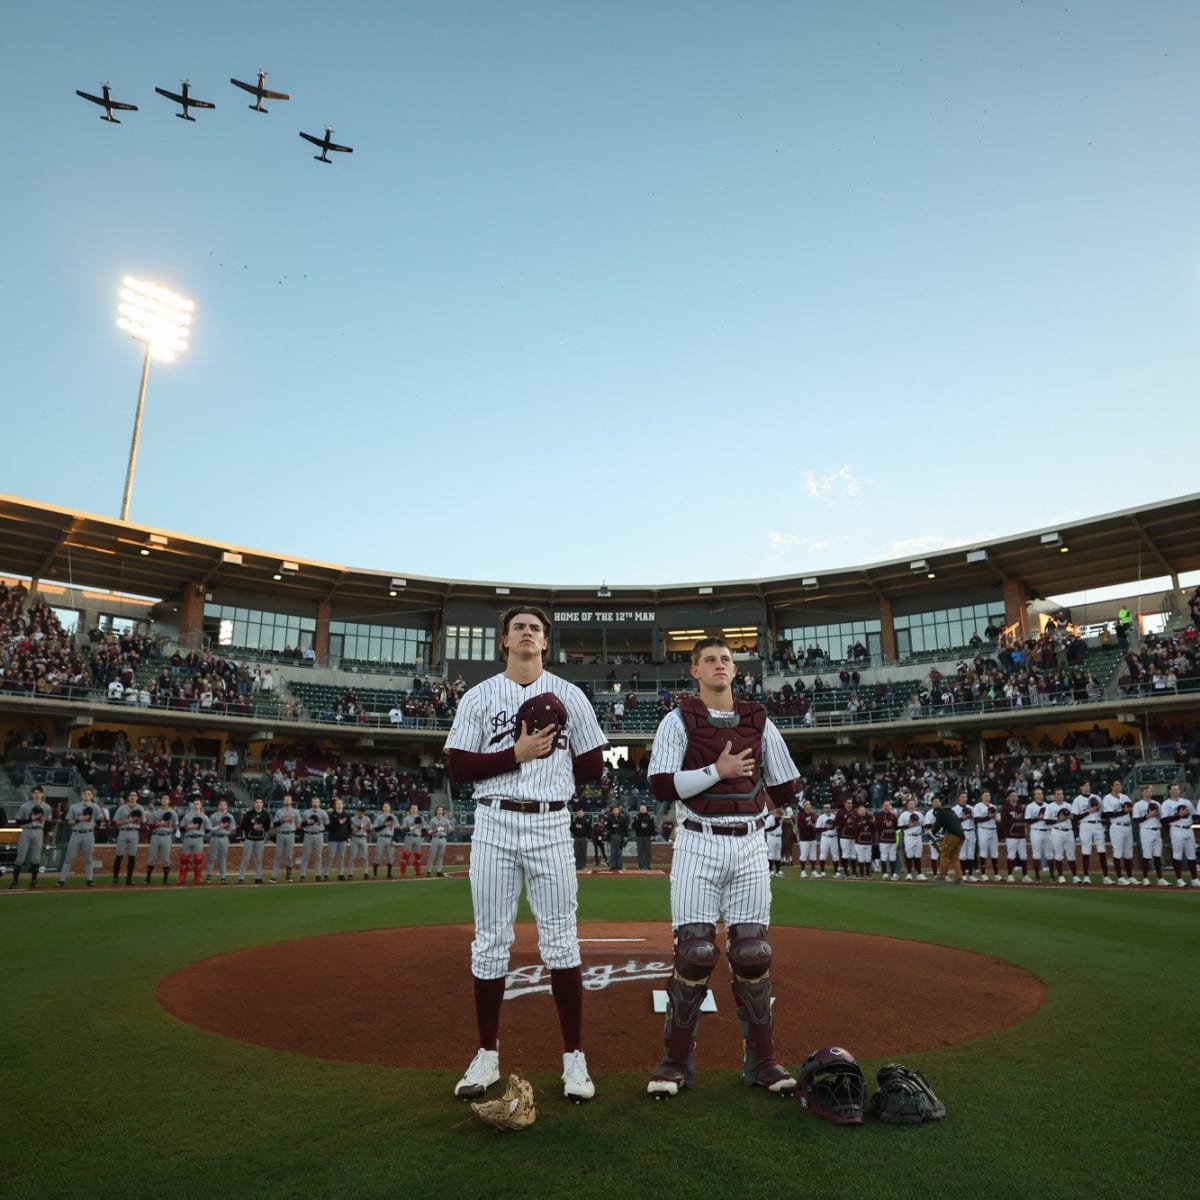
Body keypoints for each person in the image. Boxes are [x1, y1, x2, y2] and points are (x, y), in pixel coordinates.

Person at [444, 605, 608, 1103]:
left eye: (536, 629)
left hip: (551, 822)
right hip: (493, 820)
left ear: (545, 643)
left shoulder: (570, 695)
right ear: (504, 641)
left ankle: (574, 1059)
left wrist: (551, 777)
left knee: (561, 941)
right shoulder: (478, 695)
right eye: (519, 627)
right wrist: (514, 757)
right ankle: (487, 1054)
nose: (527, 633)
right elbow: (457, 766)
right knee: (491, 941)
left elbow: (594, 765)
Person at [646, 636, 800, 1098]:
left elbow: (787, 786)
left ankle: (764, 1062)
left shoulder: (759, 720)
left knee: (753, 953)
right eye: (709, 660)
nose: (718, 665)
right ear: (694, 671)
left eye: (725, 659)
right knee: (694, 952)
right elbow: (660, 785)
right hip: (698, 842)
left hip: (750, 842)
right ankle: (675, 1063)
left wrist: (770, 798)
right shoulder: (678, 721)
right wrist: (719, 770)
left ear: (735, 670)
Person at [57, 787, 102, 888]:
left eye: (89, 794)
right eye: (85, 794)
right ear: (82, 795)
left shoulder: (95, 807)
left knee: (89, 858)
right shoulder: (74, 807)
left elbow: (99, 821)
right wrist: (79, 819)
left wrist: (92, 826)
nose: (87, 796)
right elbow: (68, 822)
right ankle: (61, 880)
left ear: (92, 796)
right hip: (76, 833)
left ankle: (90, 880)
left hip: (89, 833)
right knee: (69, 857)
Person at [10, 784, 53, 889]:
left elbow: (48, 821)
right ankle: (15, 881)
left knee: (36, 858)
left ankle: (34, 881)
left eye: (39, 792)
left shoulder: (46, 807)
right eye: (35, 793)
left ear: (42, 794)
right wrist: (31, 819)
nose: (37, 794)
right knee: (20, 858)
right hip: (26, 831)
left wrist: (47, 832)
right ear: (32, 794)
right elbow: (17, 821)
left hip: (39, 831)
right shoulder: (25, 806)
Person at [1161, 783, 1198, 888]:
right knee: (1177, 854)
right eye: (1174, 789)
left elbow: (1194, 815)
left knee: (1192, 855)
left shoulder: (1186, 802)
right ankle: (1179, 879)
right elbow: (1164, 820)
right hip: (1176, 829)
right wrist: (1179, 815)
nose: (1176, 791)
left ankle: (1194, 879)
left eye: (1177, 789)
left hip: (1188, 829)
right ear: (1169, 791)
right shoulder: (1166, 803)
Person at [1131, 785, 1166, 886]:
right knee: (1146, 855)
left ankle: (1160, 878)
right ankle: (1145, 878)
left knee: (1157, 856)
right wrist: (1148, 815)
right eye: (1146, 791)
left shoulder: (1156, 803)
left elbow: (1162, 817)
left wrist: (1157, 814)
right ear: (1142, 793)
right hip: (1146, 830)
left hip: (1157, 829)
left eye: (1150, 791)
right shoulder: (1138, 805)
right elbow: (1136, 820)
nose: (1148, 793)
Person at [1103, 780, 1136, 885]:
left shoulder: (1125, 797)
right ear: (1111, 786)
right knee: (1117, 851)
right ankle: (1120, 877)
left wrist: (1127, 811)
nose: (1119, 786)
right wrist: (1123, 811)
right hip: (1116, 826)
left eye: (1120, 784)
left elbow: (1130, 809)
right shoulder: (1107, 798)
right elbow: (1108, 814)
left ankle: (1130, 876)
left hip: (1127, 825)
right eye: (1116, 784)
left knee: (1128, 852)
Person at [111, 789, 146, 886]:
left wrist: (137, 821)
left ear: (137, 797)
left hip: (134, 832)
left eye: (134, 795)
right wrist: (129, 820)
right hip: (123, 832)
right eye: (131, 795)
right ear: (128, 797)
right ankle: (115, 878)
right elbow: (115, 822)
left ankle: (129, 879)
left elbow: (143, 822)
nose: (132, 797)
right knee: (119, 856)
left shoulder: (141, 808)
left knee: (132, 857)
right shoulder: (122, 808)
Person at [927, 796, 965, 884]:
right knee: (954, 857)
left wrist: (932, 833)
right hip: (961, 836)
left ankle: (941, 878)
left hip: (952, 835)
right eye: (935, 802)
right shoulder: (950, 813)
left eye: (938, 801)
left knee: (944, 855)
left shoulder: (940, 812)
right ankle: (959, 878)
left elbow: (937, 826)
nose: (937, 803)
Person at [145, 794, 178, 885]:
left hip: (167, 835)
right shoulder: (155, 812)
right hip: (155, 835)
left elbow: (175, 826)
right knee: (152, 857)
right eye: (163, 798)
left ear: (169, 801)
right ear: (160, 800)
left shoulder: (173, 813)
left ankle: (166, 879)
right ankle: (147, 878)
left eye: (166, 798)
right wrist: (159, 824)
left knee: (166, 858)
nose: (164, 800)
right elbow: (150, 826)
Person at [238, 797, 270, 884]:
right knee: (245, 859)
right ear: (254, 803)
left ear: (262, 804)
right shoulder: (249, 814)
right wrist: (253, 827)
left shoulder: (266, 814)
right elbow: (243, 826)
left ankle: (258, 877)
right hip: (249, 839)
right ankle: (241, 877)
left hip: (260, 840)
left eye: (260, 802)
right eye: (257, 802)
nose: (258, 804)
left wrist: (261, 827)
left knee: (259, 859)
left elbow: (267, 827)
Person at [270, 792, 301, 883]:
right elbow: (274, 824)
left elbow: (299, 825)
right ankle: (274, 876)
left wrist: (297, 825)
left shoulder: (295, 812)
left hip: (291, 834)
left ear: (291, 801)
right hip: (280, 834)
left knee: (289, 856)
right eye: (285, 799)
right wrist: (283, 820)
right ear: (283, 801)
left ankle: (289, 875)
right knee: (277, 856)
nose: (287, 800)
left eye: (289, 799)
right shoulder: (279, 811)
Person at [999, 790, 1028, 882]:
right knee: (1011, 854)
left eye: (1015, 795)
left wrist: (1025, 829)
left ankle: (1025, 875)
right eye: (1012, 795)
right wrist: (1015, 818)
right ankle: (1010, 875)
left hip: (1021, 834)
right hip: (1010, 835)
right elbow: (1004, 821)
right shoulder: (1005, 808)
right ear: (1008, 797)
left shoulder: (1021, 807)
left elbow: (1025, 820)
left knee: (1023, 855)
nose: (1014, 797)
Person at [206, 799, 236, 883]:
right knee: (212, 857)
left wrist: (227, 829)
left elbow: (233, 829)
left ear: (227, 806)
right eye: (221, 804)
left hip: (224, 838)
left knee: (223, 858)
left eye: (224, 804)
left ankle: (223, 877)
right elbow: (209, 829)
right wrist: (220, 826)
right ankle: (208, 876)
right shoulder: (213, 816)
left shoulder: (230, 816)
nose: (223, 806)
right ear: (218, 806)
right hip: (214, 837)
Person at [299, 797, 328, 882]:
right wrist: (307, 822)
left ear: (319, 803)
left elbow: (327, 825)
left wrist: (319, 823)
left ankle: (318, 875)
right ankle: (302, 875)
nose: (315, 803)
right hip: (308, 834)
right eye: (314, 801)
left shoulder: (323, 813)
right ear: (311, 803)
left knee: (318, 856)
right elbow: (301, 825)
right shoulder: (306, 812)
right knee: (305, 856)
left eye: (317, 801)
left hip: (319, 834)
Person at [897, 796, 925, 880]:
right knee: (909, 855)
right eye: (910, 803)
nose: (912, 805)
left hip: (918, 836)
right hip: (909, 836)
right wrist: (909, 825)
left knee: (918, 855)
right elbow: (900, 826)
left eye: (913, 803)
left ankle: (919, 873)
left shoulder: (919, 814)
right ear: (907, 805)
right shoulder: (904, 815)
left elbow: (923, 825)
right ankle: (908, 873)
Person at [326, 797, 352, 880]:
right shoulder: (330, 815)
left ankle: (340, 874)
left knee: (341, 857)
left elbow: (349, 827)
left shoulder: (346, 815)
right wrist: (338, 822)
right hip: (333, 838)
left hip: (342, 839)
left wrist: (348, 837)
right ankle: (326, 874)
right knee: (330, 856)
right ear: (335, 805)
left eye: (340, 804)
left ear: (343, 805)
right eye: (337, 804)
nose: (339, 805)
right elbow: (328, 827)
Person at [874, 798, 900, 880]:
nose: (887, 807)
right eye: (885, 805)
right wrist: (885, 825)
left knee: (893, 856)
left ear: (890, 806)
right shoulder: (879, 816)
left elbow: (896, 827)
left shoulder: (893, 816)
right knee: (884, 856)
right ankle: (884, 873)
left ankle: (893, 873)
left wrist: (891, 826)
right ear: (882, 806)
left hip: (892, 839)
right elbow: (876, 827)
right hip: (883, 839)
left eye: (888, 805)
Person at [372, 802, 399, 878]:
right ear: (382, 808)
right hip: (381, 837)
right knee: (378, 856)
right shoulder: (379, 817)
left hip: (390, 838)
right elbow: (376, 829)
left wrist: (394, 840)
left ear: (390, 808)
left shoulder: (394, 817)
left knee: (390, 857)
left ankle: (389, 874)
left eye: (387, 806)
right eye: (384, 806)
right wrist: (384, 825)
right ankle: (375, 874)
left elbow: (396, 829)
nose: (386, 808)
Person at [426, 805, 455, 877]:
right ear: (436, 811)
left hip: (443, 838)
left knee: (440, 855)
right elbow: (429, 831)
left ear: (443, 811)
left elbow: (450, 830)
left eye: (441, 810)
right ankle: (428, 871)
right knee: (432, 855)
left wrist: (446, 831)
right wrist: (435, 830)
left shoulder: (446, 820)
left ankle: (439, 871)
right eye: (438, 810)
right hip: (435, 838)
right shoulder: (432, 820)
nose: (439, 811)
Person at [399, 803, 425, 878]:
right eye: (412, 808)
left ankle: (418, 872)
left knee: (418, 855)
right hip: (409, 837)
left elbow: (423, 828)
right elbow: (403, 829)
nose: (414, 809)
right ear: (410, 810)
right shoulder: (406, 818)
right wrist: (413, 826)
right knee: (406, 855)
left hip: (417, 837)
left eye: (415, 808)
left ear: (417, 810)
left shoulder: (421, 818)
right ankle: (402, 873)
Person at [348, 806, 373, 880]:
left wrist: (365, 828)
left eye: (362, 812)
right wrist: (361, 826)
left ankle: (366, 873)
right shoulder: (352, 819)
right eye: (358, 812)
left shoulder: (367, 819)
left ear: (364, 813)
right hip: (355, 838)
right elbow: (352, 831)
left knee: (364, 857)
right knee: (352, 857)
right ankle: (351, 873)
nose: (360, 814)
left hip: (363, 838)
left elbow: (369, 830)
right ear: (356, 812)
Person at [795, 798, 818, 877]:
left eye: (809, 804)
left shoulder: (813, 814)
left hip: (813, 838)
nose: (808, 806)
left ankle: (813, 871)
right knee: (804, 855)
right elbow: (801, 826)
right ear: (804, 806)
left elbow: (815, 823)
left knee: (813, 855)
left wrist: (814, 826)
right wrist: (809, 825)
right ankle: (803, 871)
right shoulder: (801, 815)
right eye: (806, 804)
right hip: (804, 838)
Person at [632, 804, 657, 870]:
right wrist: (640, 826)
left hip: (648, 836)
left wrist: (652, 835)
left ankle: (648, 865)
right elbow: (633, 826)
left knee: (648, 852)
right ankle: (641, 866)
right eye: (641, 809)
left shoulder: (650, 817)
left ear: (646, 809)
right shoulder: (636, 817)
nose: (642, 810)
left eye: (644, 809)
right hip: (639, 836)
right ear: (639, 810)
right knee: (640, 852)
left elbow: (652, 827)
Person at [606, 803, 629, 872]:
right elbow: (607, 827)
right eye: (614, 810)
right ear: (612, 811)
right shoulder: (609, 818)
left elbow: (625, 828)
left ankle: (620, 865)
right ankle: (613, 866)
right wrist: (612, 825)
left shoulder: (623, 818)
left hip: (620, 835)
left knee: (619, 851)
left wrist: (626, 836)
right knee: (613, 851)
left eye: (617, 810)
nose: (615, 811)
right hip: (612, 835)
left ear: (619, 811)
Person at [569, 806, 591, 871]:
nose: (580, 814)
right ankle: (577, 865)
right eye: (578, 813)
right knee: (576, 852)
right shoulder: (575, 821)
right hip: (576, 837)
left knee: (583, 852)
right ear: (577, 814)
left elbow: (589, 829)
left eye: (581, 813)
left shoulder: (586, 820)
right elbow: (571, 829)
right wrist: (576, 827)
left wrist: (589, 837)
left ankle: (583, 865)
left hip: (584, 838)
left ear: (583, 813)